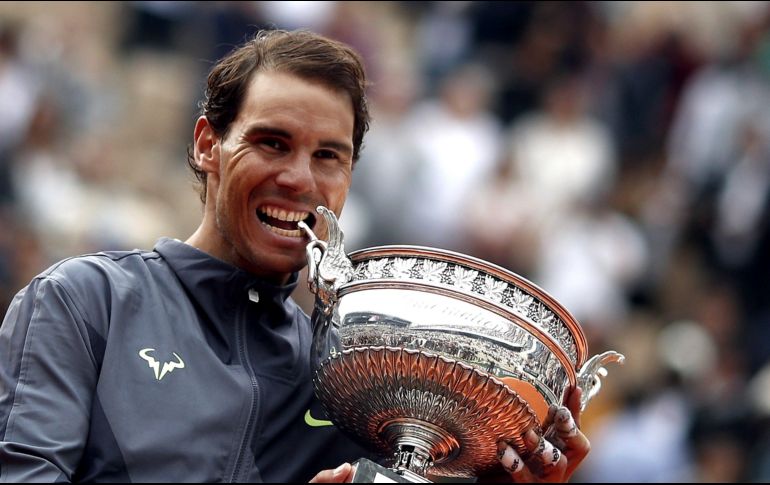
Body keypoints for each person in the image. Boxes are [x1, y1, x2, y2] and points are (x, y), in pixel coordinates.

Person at [0, 29, 590, 483]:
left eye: (328, 156)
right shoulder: (85, 302)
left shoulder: (353, 377)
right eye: (271, 143)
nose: (298, 179)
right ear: (210, 145)